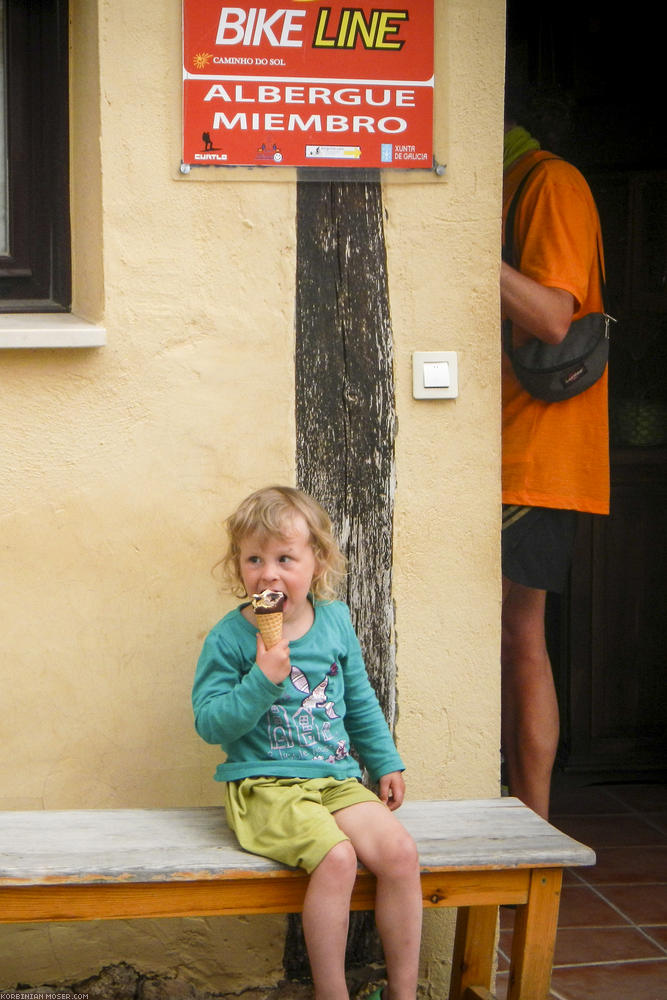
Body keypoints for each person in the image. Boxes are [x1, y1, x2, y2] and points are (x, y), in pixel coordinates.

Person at [192, 485, 422, 1000]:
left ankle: (404, 994)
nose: (268, 572)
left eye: (284, 558)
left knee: (401, 853)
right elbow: (210, 724)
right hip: (264, 785)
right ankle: (330, 993)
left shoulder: (336, 622)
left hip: (335, 779)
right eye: (254, 558)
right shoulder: (229, 639)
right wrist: (262, 679)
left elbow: (359, 701)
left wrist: (385, 761)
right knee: (338, 859)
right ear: (239, 567)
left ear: (316, 562)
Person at [500, 112, 610, 820]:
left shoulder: (549, 181)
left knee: (519, 637)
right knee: (511, 639)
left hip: (533, 454)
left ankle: (533, 827)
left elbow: (549, 316)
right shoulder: (511, 183)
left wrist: (458, 241)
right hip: (503, 449)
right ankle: (521, 817)